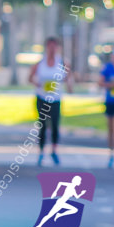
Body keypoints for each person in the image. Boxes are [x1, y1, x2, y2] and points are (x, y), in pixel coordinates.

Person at [28, 37, 73, 166]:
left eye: (54, 46)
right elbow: (30, 78)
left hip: (56, 99)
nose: (52, 49)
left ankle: (54, 150)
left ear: (58, 48)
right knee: (42, 124)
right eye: (49, 46)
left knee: (54, 125)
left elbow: (68, 79)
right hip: (42, 98)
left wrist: (69, 86)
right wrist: (38, 83)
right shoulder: (40, 63)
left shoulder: (63, 63)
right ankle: (41, 151)